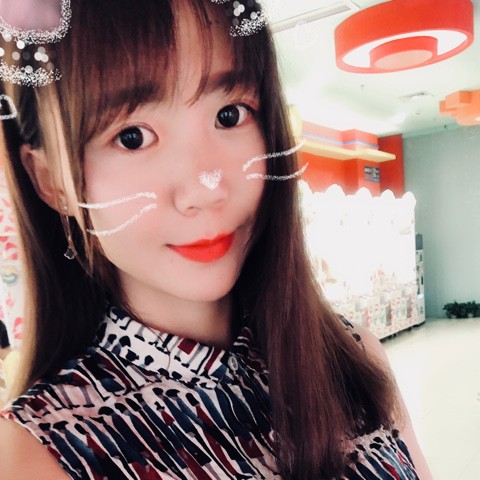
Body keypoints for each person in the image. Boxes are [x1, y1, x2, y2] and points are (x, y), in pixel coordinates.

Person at [0, 1, 432, 479]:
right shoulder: (40, 453)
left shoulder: (353, 354)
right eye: (132, 137)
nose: (206, 189)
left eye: (229, 115)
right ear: (51, 181)